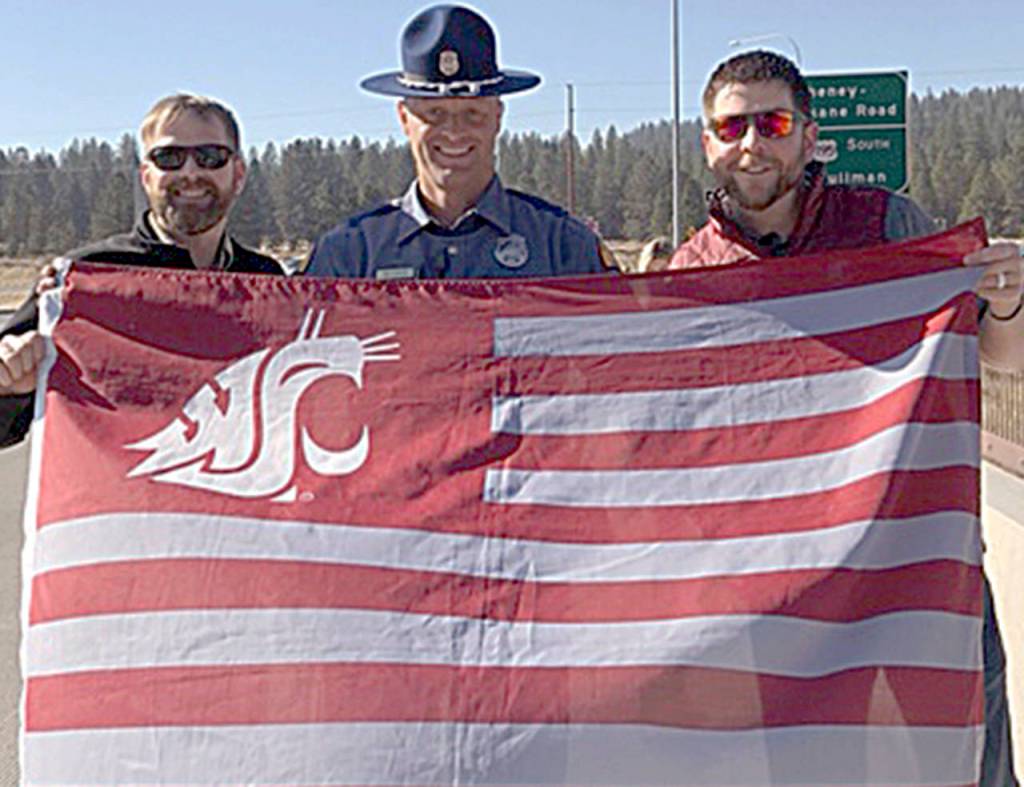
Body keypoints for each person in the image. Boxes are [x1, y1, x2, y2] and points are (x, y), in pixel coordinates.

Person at [672, 49, 1021, 786]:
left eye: (771, 123)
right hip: (775, 586)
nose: (751, 145)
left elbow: (1001, 359)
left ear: (807, 133)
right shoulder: (688, 275)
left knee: (968, 751)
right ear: (707, 142)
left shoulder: (889, 226)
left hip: (916, 556)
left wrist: (1010, 300)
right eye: (731, 126)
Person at [0, 93, 284, 447]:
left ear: (238, 174)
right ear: (146, 176)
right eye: (169, 158)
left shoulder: (269, 283)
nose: (191, 173)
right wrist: (10, 387)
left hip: (235, 493)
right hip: (122, 498)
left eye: (210, 157)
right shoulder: (86, 278)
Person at [305, 4, 607, 280]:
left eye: (472, 113)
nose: (453, 131)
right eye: (434, 113)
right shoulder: (348, 256)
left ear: (498, 117)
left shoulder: (563, 247)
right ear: (404, 118)